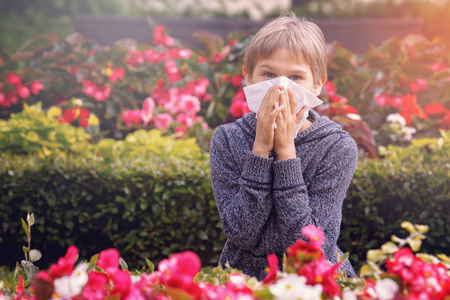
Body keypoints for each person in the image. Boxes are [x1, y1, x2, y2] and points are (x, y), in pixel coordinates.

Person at [209, 11, 358, 281]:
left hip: (315, 283)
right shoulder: (227, 140)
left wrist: (287, 152)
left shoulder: (337, 148)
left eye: (296, 77)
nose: (281, 87)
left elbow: (303, 244)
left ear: (318, 84)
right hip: (243, 283)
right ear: (248, 76)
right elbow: (242, 232)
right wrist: (261, 149)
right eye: (268, 74)